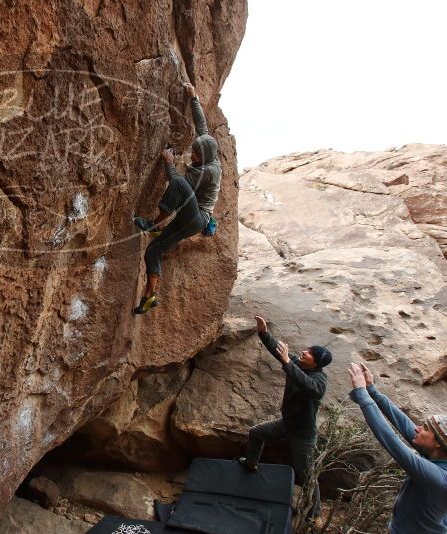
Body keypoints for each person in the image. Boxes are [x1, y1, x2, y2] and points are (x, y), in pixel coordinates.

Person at [132, 82, 221, 314]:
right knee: (153, 251)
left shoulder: (206, 171)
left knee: (180, 182)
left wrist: (169, 163)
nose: (193, 155)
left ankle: (154, 224)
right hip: (188, 217)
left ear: (206, 157)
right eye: (195, 151)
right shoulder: (210, 153)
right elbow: (202, 127)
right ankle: (149, 297)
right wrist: (194, 98)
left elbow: (178, 184)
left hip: (196, 218)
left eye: (197, 155)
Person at [237, 315, 332, 522]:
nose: (304, 352)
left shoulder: (319, 380)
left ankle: (314, 513)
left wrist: (289, 362)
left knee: (307, 475)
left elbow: (308, 386)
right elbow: (277, 351)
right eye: (307, 350)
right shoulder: (297, 363)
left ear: (315, 363)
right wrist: (263, 333)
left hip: (303, 436)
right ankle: (250, 463)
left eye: (309, 353)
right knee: (256, 432)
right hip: (286, 424)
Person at [347, 362, 447, 533]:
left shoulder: (438, 478)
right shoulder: (438, 455)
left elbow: (391, 441)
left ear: (438, 442)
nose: (418, 428)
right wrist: (372, 391)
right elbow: (405, 425)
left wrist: (362, 394)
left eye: (425, 428)